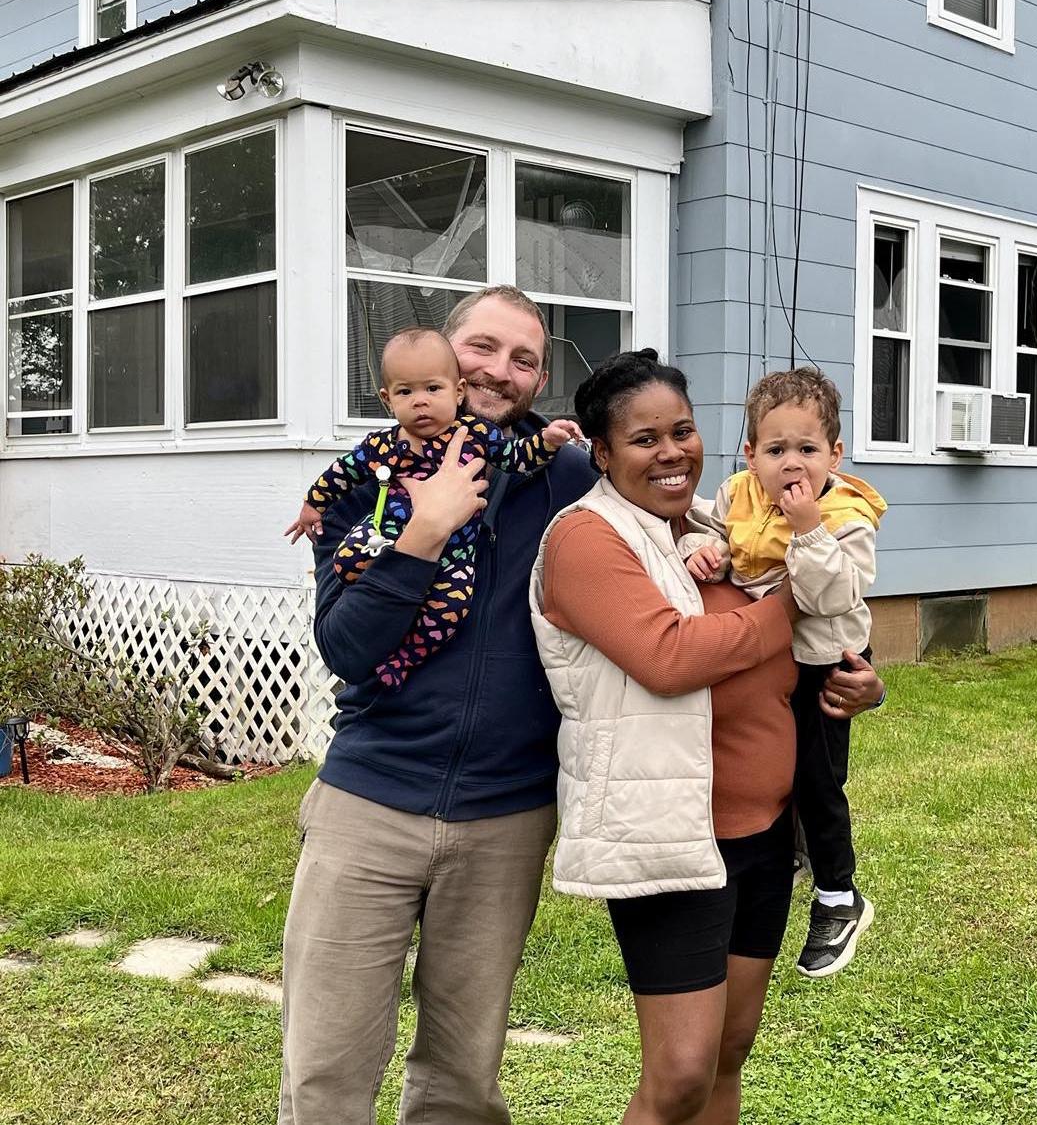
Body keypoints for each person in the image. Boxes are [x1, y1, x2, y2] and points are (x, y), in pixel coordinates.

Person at [529, 350, 885, 1125]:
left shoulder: (718, 526)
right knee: (682, 1072)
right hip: (677, 840)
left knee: (730, 1050)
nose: (670, 452)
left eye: (682, 431)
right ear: (603, 452)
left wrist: (865, 681)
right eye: (644, 438)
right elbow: (669, 658)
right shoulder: (589, 540)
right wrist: (794, 601)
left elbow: (820, 635)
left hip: (764, 833)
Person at [278, 286, 596, 1125]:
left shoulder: (565, 476)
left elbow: (671, 534)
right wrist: (421, 534)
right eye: (483, 348)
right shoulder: (374, 476)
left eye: (525, 359)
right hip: (368, 801)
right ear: (442, 363)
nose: (501, 370)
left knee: (462, 1079)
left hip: (506, 815)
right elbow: (345, 646)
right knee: (326, 1073)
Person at [678, 368, 887, 979]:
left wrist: (808, 531)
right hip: (770, 663)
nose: (791, 465)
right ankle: (785, 863)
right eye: (775, 450)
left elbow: (832, 596)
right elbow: (720, 538)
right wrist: (705, 550)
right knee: (774, 772)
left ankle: (839, 898)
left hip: (827, 666)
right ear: (750, 454)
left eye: (807, 450)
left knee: (818, 785)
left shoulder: (846, 514)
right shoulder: (738, 493)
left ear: (835, 455)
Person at [284, 326, 580, 690]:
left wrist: (547, 442)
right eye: (406, 392)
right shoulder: (382, 445)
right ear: (387, 399)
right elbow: (342, 472)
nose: (420, 401)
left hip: (457, 555)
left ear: (457, 391)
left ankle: (403, 660)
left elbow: (515, 457)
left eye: (433, 389)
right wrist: (313, 505)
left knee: (452, 610)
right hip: (388, 534)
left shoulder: (476, 434)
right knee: (350, 556)